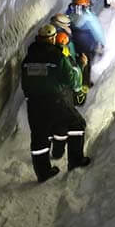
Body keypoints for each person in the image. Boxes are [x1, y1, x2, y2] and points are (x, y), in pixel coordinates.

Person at [20, 24, 91, 182]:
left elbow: (25, 83)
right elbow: (71, 79)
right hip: (55, 100)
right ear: (52, 39)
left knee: (39, 138)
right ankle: (76, 160)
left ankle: (43, 173)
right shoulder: (57, 56)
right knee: (77, 124)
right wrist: (80, 66)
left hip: (33, 104)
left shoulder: (28, 58)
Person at [66, 0, 106, 85]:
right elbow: (96, 29)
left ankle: (77, 79)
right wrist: (101, 42)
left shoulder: (72, 10)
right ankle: (85, 82)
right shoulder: (88, 15)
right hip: (86, 40)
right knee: (86, 60)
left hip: (75, 38)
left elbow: (68, 20)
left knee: (79, 59)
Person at [50, 12, 91, 88]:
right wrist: (81, 64)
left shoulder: (57, 35)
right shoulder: (62, 39)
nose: (69, 27)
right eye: (67, 25)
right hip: (70, 74)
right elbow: (70, 65)